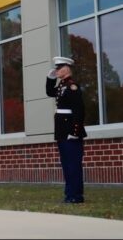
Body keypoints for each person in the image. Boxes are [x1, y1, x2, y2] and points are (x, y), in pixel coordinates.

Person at [46, 56, 87, 204]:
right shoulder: (62, 86)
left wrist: (75, 131)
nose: (56, 71)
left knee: (73, 164)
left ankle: (76, 195)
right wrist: (50, 78)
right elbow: (50, 92)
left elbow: (79, 110)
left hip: (70, 130)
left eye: (58, 68)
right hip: (62, 130)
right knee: (66, 163)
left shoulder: (72, 86)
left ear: (66, 68)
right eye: (56, 68)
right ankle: (69, 193)